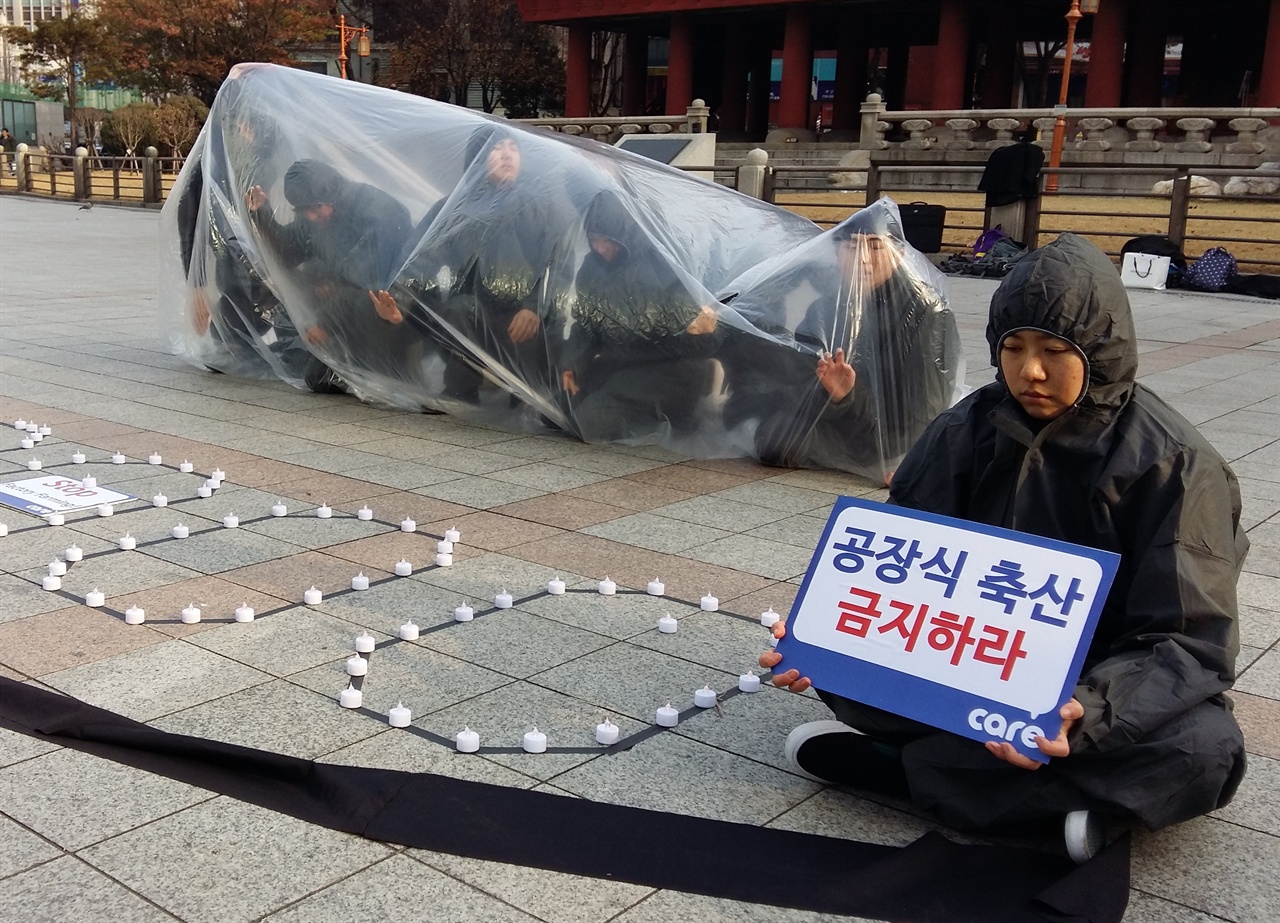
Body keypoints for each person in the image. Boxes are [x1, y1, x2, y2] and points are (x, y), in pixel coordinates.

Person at [762, 233, 1248, 863]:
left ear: (1102, 352)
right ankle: (1054, 803)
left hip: (1095, 674)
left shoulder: (1174, 463)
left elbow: (1188, 639)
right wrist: (822, 638)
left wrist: (1089, 712)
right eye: (1013, 348)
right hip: (975, 659)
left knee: (1204, 750)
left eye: (1054, 350)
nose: (1031, 371)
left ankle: (902, 772)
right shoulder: (965, 428)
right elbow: (897, 568)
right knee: (849, 676)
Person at [720, 201, 961, 478]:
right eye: (852, 246)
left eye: (875, 246)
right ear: (835, 252)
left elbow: (926, 408)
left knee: (779, 444)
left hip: (888, 430)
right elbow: (800, 367)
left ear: (899, 253)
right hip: (839, 413)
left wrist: (913, 460)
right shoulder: (826, 305)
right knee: (765, 415)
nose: (864, 260)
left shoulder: (927, 312)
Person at [558, 189, 721, 442]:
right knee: (554, 412)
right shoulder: (592, 268)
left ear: (623, 233)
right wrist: (572, 363)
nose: (599, 248)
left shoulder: (662, 264)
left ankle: (680, 401)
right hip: (619, 362)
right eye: (593, 239)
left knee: (587, 424)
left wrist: (703, 333)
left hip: (666, 366)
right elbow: (587, 324)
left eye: (606, 239)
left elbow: (693, 331)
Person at [246, 159, 412, 394]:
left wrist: (326, 321)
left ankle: (383, 372)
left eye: (315, 208)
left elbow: (369, 281)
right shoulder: (321, 216)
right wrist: (261, 214)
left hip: (392, 313)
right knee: (317, 377)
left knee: (324, 375)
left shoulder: (375, 212)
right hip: (348, 309)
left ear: (331, 193)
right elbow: (289, 253)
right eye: (305, 211)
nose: (312, 217)